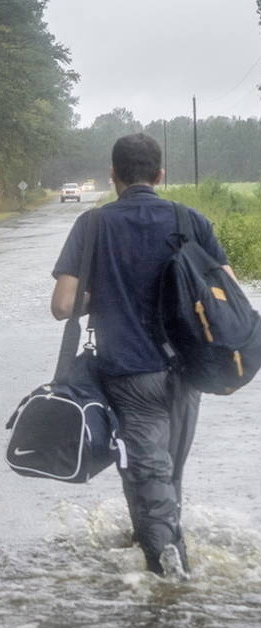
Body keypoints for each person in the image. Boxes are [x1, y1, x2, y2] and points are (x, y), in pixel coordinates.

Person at [50, 133, 237, 579]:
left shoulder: (93, 225)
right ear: (159, 176)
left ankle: (168, 580)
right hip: (189, 372)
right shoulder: (190, 220)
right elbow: (228, 292)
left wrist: (107, 295)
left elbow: (62, 305)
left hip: (130, 375)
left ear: (113, 176)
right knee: (166, 473)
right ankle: (160, 550)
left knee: (146, 472)